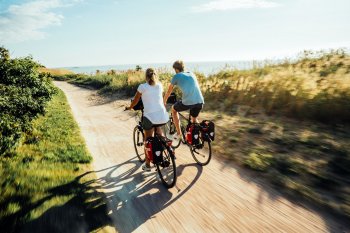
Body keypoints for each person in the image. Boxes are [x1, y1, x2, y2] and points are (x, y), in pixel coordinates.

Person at [126, 68, 169, 171]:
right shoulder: (160, 85)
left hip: (150, 117)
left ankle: (148, 164)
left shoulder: (142, 87)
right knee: (158, 130)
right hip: (162, 115)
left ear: (146, 76)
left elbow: (136, 101)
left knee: (147, 139)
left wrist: (130, 107)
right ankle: (166, 147)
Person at [163, 60, 204, 140]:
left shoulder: (177, 76)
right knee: (194, 119)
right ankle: (201, 136)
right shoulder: (191, 73)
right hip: (200, 101)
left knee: (174, 110)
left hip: (188, 102)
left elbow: (169, 91)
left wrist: (164, 101)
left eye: (174, 70)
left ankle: (179, 134)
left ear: (176, 69)